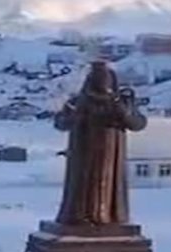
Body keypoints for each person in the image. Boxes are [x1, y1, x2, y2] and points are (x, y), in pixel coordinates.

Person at [53, 61, 147, 226]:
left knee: (107, 186)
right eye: (97, 80)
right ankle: (79, 216)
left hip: (110, 153)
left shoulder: (121, 102)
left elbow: (137, 124)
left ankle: (107, 216)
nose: (101, 85)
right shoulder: (77, 102)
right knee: (81, 188)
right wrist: (76, 117)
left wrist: (123, 113)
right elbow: (60, 123)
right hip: (83, 151)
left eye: (105, 80)